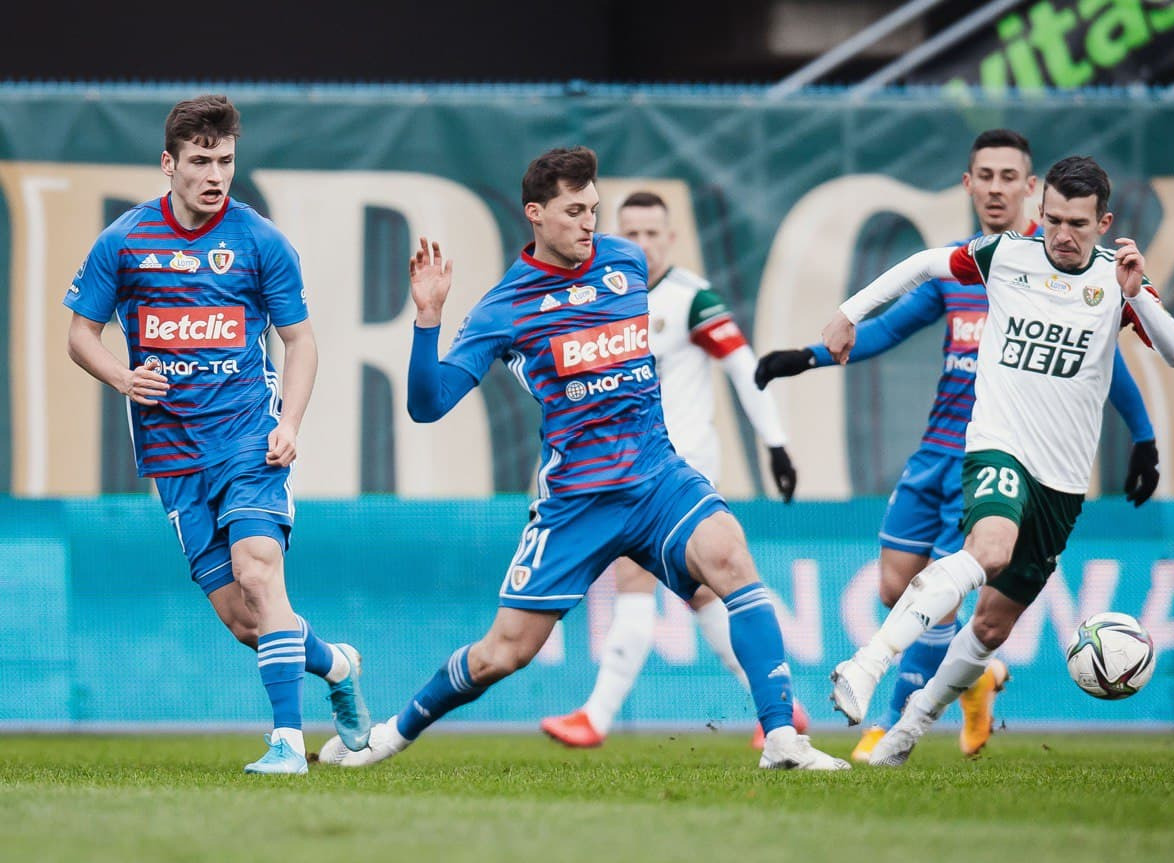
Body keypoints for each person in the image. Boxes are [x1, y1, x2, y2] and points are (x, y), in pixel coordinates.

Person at [319, 146, 848, 770]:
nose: (589, 223)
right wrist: (428, 319)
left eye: (594, 209)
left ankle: (783, 739)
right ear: (535, 214)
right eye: (574, 212)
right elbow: (427, 405)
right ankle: (391, 735)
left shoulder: (626, 261)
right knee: (502, 654)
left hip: (658, 478)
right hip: (579, 501)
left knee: (731, 559)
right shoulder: (504, 308)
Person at [755, 130, 1160, 761]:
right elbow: (888, 329)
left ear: (1033, 188)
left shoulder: (1074, 268)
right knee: (896, 585)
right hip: (939, 448)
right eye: (985, 176)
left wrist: (1143, 435)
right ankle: (975, 679)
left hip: (1009, 453)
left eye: (1009, 177)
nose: (997, 189)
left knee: (971, 570)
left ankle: (889, 725)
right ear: (968, 184)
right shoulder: (968, 265)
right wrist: (808, 356)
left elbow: (1105, 362)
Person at [64, 94, 370, 775]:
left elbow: (301, 342)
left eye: (226, 161)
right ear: (168, 163)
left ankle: (287, 742)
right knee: (245, 620)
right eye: (201, 161)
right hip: (173, 453)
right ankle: (337, 664)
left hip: (247, 439)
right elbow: (80, 334)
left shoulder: (260, 241)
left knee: (259, 571)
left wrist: (289, 423)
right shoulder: (124, 241)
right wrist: (122, 376)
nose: (215, 175)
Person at [540, 190, 807, 751]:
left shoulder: (690, 298)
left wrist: (776, 443)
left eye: (652, 233)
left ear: (671, 238)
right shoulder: (606, 295)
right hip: (629, 462)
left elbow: (743, 367)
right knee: (704, 595)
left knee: (632, 577)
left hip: (676, 464)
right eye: (631, 233)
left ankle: (596, 716)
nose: (642, 244)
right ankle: (781, 707)